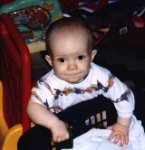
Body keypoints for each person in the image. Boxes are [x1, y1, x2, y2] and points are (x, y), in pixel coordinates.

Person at [18, 17, 135, 150]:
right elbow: (33, 107)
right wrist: (54, 124)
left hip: (94, 120)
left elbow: (124, 95)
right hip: (64, 124)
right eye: (62, 60)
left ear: (91, 56)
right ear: (50, 61)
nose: (72, 67)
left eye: (80, 57)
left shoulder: (101, 77)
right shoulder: (48, 84)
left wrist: (123, 125)